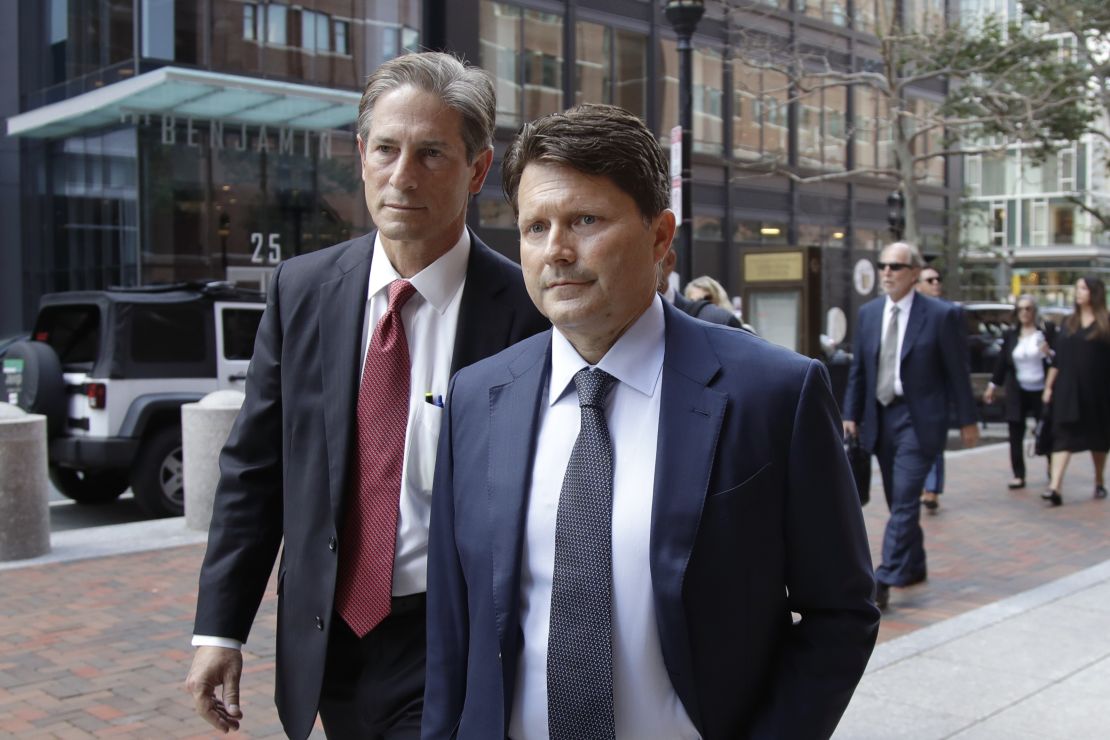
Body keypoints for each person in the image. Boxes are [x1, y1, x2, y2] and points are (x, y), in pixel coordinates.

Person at [423, 104, 879, 739]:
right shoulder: (477, 395)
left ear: (660, 236)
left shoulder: (774, 393)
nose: (556, 250)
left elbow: (841, 612)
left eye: (585, 220)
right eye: (534, 227)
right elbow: (453, 624)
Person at [184, 52, 548, 740]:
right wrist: (219, 628)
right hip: (328, 639)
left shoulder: (526, 313)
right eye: (387, 148)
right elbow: (254, 472)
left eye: (432, 153)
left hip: (454, 639)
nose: (402, 176)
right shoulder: (302, 290)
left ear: (477, 169)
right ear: (360, 154)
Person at [843, 242, 979, 610]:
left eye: (896, 266)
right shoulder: (870, 314)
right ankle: (913, 564)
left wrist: (968, 420)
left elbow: (957, 371)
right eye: (883, 265)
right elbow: (860, 370)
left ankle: (883, 578)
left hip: (919, 421)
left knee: (904, 499)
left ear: (914, 273)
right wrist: (850, 414)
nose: (886, 272)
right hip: (879, 419)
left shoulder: (940, 315)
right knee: (896, 499)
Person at [1041, 276, 1110, 506]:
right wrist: (1049, 386)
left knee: (1098, 439)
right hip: (1067, 389)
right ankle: (1055, 487)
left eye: (1083, 288)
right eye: (1077, 288)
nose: (1078, 292)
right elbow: (1058, 359)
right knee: (1063, 436)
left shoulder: (1105, 324)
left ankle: (1099, 480)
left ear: (1094, 292)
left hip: (1097, 390)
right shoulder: (1069, 322)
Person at [984, 296, 1056, 489]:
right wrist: (993, 385)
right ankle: (1018, 474)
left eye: (1029, 309)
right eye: (1021, 309)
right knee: (1015, 430)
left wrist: (1048, 352)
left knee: (1047, 429)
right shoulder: (1011, 335)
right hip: (1018, 389)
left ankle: (1053, 469)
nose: (1025, 312)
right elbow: (1001, 362)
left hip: (1041, 389)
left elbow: (1056, 361)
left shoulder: (1045, 333)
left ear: (1035, 311)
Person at [915, 264, 948, 512]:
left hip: (935, 393)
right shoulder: (905, 315)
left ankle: (932, 489)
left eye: (938, 279)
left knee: (934, 444)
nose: (936, 283)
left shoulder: (946, 314)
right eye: (930, 280)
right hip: (909, 395)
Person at [656, 249, 742, 328]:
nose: (701, 303)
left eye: (706, 299)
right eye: (693, 300)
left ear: (669, 260)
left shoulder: (721, 321)